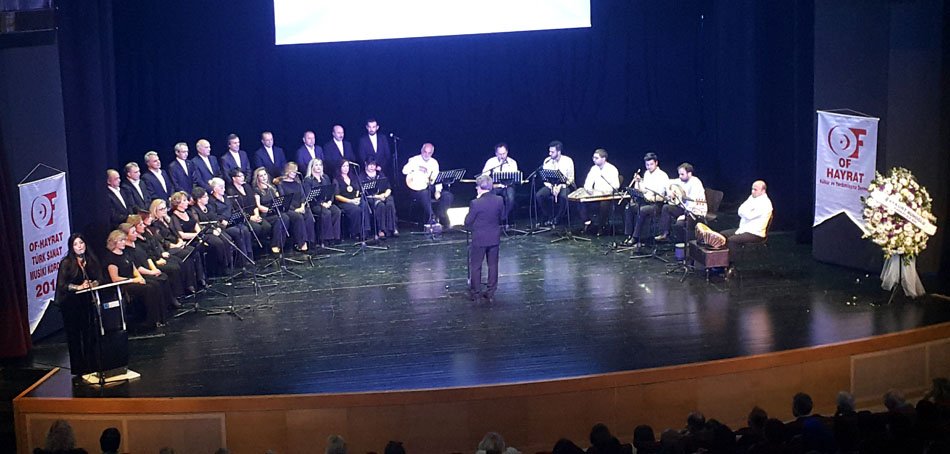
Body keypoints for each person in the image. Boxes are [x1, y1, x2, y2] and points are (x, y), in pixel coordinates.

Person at [55, 234, 103, 376]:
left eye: (81, 243)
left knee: (90, 333)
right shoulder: (66, 263)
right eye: (76, 244)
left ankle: (91, 364)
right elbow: (62, 285)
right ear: (71, 247)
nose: (79, 246)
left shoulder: (91, 260)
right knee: (75, 336)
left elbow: (100, 277)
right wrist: (79, 287)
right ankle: (79, 368)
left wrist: (94, 283)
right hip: (70, 303)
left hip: (87, 301)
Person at [103, 229, 167, 329]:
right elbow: (115, 278)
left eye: (124, 240)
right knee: (149, 289)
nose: (124, 242)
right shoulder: (111, 258)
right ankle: (151, 320)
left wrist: (140, 278)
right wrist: (133, 280)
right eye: (121, 240)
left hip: (133, 280)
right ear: (114, 242)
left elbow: (134, 268)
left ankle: (161, 317)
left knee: (155, 284)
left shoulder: (125, 253)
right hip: (124, 284)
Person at [118, 222, 179, 310]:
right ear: (126, 236)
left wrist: (154, 269)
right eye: (133, 232)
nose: (136, 234)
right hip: (142, 273)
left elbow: (148, 258)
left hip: (148, 269)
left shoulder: (138, 245)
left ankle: (169, 303)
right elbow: (137, 267)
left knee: (163, 276)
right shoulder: (127, 251)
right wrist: (151, 272)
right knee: (157, 282)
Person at [465, 175, 504, 303]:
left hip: (479, 238)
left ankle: (476, 292)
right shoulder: (499, 200)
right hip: (494, 237)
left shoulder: (475, 203)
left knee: (476, 266)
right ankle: (491, 292)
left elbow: (468, 221)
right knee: (493, 265)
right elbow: (502, 217)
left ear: (479, 187)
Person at [622, 152, 669, 247]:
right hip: (645, 201)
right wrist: (638, 182)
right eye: (647, 165)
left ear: (656, 163)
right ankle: (629, 234)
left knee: (643, 210)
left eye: (651, 164)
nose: (649, 167)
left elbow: (663, 195)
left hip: (657, 204)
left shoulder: (662, 175)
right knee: (629, 207)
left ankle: (635, 237)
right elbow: (643, 190)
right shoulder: (647, 173)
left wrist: (652, 197)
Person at [402, 142, 454, 226]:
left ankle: (441, 215)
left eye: (429, 153)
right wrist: (417, 167)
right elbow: (404, 171)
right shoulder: (414, 160)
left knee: (448, 196)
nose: (426, 154)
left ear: (432, 153)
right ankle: (432, 218)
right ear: (421, 151)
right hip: (417, 189)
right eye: (425, 152)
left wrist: (437, 191)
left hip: (430, 185)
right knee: (425, 193)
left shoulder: (434, 162)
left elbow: (437, 178)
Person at [208, 177, 255, 264]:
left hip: (232, 220)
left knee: (245, 229)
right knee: (238, 232)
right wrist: (222, 221)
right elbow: (213, 215)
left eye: (224, 187)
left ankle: (249, 255)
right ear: (215, 189)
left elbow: (232, 209)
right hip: (223, 224)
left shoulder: (226, 197)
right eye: (221, 187)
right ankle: (243, 259)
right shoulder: (211, 201)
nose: (224, 189)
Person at [656, 162, 706, 242]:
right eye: (679, 174)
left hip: (695, 212)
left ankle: (686, 245)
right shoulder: (680, 180)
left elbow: (694, 204)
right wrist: (670, 192)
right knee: (666, 208)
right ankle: (665, 234)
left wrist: (684, 216)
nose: (680, 176)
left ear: (689, 173)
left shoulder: (696, 183)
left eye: (682, 174)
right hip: (683, 208)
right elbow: (667, 183)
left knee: (679, 225)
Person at [188, 187, 234, 271]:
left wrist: (218, 227)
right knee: (218, 243)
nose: (207, 198)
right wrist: (212, 231)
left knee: (227, 239)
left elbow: (215, 218)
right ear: (199, 199)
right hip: (206, 233)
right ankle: (221, 267)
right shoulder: (194, 210)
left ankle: (229, 264)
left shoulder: (209, 207)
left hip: (215, 229)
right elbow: (198, 226)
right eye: (205, 197)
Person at [578, 148, 620, 235]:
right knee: (581, 202)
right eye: (593, 158)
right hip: (595, 195)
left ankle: (601, 227)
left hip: (607, 196)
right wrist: (589, 189)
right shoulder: (593, 169)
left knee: (604, 204)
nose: (594, 160)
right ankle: (588, 222)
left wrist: (606, 191)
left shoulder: (612, 169)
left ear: (604, 159)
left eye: (596, 158)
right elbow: (587, 183)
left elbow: (616, 185)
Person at [276, 161, 316, 251]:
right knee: (298, 217)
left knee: (308, 215)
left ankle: (310, 241)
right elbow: (284, 199)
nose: (295, 173)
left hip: (299, 207)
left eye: (296, 171)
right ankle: (301, 243)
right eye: (293, 171)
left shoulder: (298, 183)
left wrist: (302, 206)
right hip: (289, 209)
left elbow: (303, 196)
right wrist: (295, 210)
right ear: (287, 171)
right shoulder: (281, 184)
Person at [227, 168, 270, 249]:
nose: (242, 178)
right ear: (234, 178)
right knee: (257, 228)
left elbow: (254, 204)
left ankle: (262, 247)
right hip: (244, 217)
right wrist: (250, 217)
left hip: (254, 214)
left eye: (243, 176)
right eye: (239, 176)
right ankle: (254, 247)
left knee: (267, 226)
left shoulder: (247, 186)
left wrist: (256, 215)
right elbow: (237, 209)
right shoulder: (231, 191)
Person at [252, 166, 291, 254]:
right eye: (261, 176)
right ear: (257, 178)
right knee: (279, 218)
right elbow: (258, 205)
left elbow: (279, 199)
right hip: (265, 213)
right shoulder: (256, 190)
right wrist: (269, 209)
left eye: (265, 175)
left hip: (275, 211)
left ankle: (281, 243)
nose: (264, 177)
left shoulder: (272, 187)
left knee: (285, 217)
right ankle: (275, 245)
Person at [303, 158, 342, 245]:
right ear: (311, 167)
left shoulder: (325, 178)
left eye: (320, 165)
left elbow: (331, 192)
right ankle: (326, 238)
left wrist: (330, 202)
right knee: (326, 213)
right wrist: (321, 204)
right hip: (315, 204)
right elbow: (309, 196)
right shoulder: (308, 180)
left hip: (327, 202)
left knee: (336, 211)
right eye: (316, 165)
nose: (318, 167)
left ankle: (335, 237)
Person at [535, 140, 575, 227]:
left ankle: (558, 218)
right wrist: (551, 187)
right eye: (549, 151)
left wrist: (560, 186)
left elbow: (571, 179)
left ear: (559, 152)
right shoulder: (547, 161)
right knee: (539, 195)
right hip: (551, 185)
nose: (550, 154)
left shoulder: (568, 161)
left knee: (564, 196)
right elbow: (545, 179)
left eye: (552, 152)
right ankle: (548, 215)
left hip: (564, 185)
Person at [481, 142, 518, 223]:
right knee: (490, 197)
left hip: (508, 186)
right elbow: (484, 175)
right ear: (496, 153)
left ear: (507, 152)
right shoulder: (491, 162)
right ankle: (493, 218)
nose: (502, 156)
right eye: (500, 154)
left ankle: (504, 217)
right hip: (494, 186)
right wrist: (491, 185)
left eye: (504, 153)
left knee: (510, 198)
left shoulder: (512, 162)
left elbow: (514, 178)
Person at [334, 160, 371, 240]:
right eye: (343, 166)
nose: (346, 168)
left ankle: (365, 231)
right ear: (340, 167)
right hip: (344, 202)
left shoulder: (353, 177)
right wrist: (350, 201)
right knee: (356, 210)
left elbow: (358, 189)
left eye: (347, 166)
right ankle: (356, 232)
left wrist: (357, 197)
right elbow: (337, 196)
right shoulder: (336, 179)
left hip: (355, 199)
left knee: (364, 204)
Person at [363, 159, 397, 239]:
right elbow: (365, 194)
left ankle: (393, 228)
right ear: (366, 165)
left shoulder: (380, 174)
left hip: (383, 195)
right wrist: (378, 197)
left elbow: (388, 187)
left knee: (390, 203)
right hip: (372, 197)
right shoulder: (362, 176)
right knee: (380, 205)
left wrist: (385, 195)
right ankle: (381, 230)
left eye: (373, 165)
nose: (372, 167)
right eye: (370, 165)